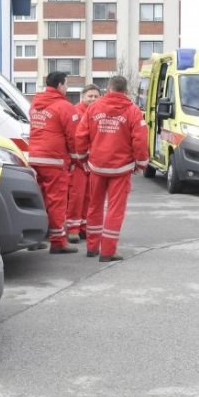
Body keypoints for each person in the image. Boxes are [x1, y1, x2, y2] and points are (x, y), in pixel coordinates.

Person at [75, 75, 148, 262]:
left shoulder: (93, 108)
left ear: (108, 89)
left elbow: (81, 135)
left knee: (94, 206)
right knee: (115, 210)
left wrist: (83, 158)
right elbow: (140, 140)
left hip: (97, 165)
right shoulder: (133, 111)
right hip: (121, 168)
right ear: (125, 90)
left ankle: (92, 247)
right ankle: (108, 251)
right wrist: (141, 163)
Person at [28, 71, 80, 253]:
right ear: (59, 85)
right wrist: (74, 158)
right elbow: (73, 137)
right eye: (66, 84)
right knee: (57, 200)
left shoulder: (36, 103)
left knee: (38, 200)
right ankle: (58, 240)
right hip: (54, 160)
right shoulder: (64, 106)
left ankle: (35, 237)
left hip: (34, 157)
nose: (67, 88)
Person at [66, 84, 101, 243]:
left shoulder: (99, 113)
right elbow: (72, 139)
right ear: (83, 97)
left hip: (93, 162)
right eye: (90, 96)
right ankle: (72, 229)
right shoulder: (75, 112)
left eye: (96, 96)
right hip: (78, 162)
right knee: (76, 196)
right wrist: (75, 160)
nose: (93, 99)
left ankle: (84, 228)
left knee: (90, 197)